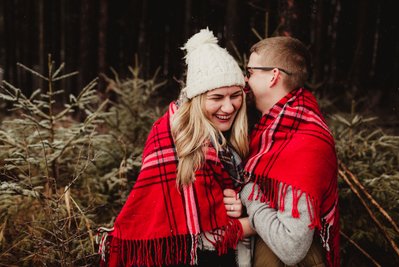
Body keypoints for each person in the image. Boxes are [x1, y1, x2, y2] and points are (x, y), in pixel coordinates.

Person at [98, 28, 253, 267]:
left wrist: (240, 204)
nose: (229, 107)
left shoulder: (237, 135)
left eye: (235, 95)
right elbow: (205, 236)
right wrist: (253, 224)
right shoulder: (174, 138)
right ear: (197, 99)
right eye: (217, 98)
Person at [240, 36, 340, 267]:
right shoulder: (272, 126)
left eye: (251, 72)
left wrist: (248, 191)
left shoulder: (305, 141)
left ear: (273, 76)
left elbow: (291, 247)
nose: (246, 80)